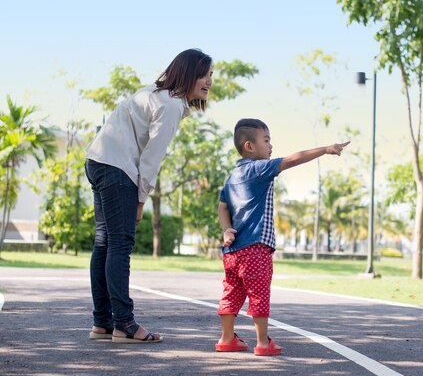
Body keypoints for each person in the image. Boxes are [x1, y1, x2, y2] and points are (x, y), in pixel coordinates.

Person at [84, 48, 214, 343]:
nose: (209, 81)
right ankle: (124, 325)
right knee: (119, 243)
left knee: (104, 242)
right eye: (205, 74)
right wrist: (141, 199)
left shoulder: (154, 93)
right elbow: (151, 159)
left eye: (211, 75)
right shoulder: (170, 105)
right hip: (117, 167)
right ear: (189, 73)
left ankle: (102, 323)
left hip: (98, 160)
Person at [216, 118, 349, 356]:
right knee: (259, 294)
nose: (271, 146)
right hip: (255, 249)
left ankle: (227, 339)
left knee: (231, 292)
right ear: (250, 146)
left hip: (232, 252)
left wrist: (226, 229)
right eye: (266, 140)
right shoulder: (259, 169)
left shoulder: (233, 176)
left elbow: (222, 206)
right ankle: (263, 343)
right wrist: (326, 149)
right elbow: (293, 159)